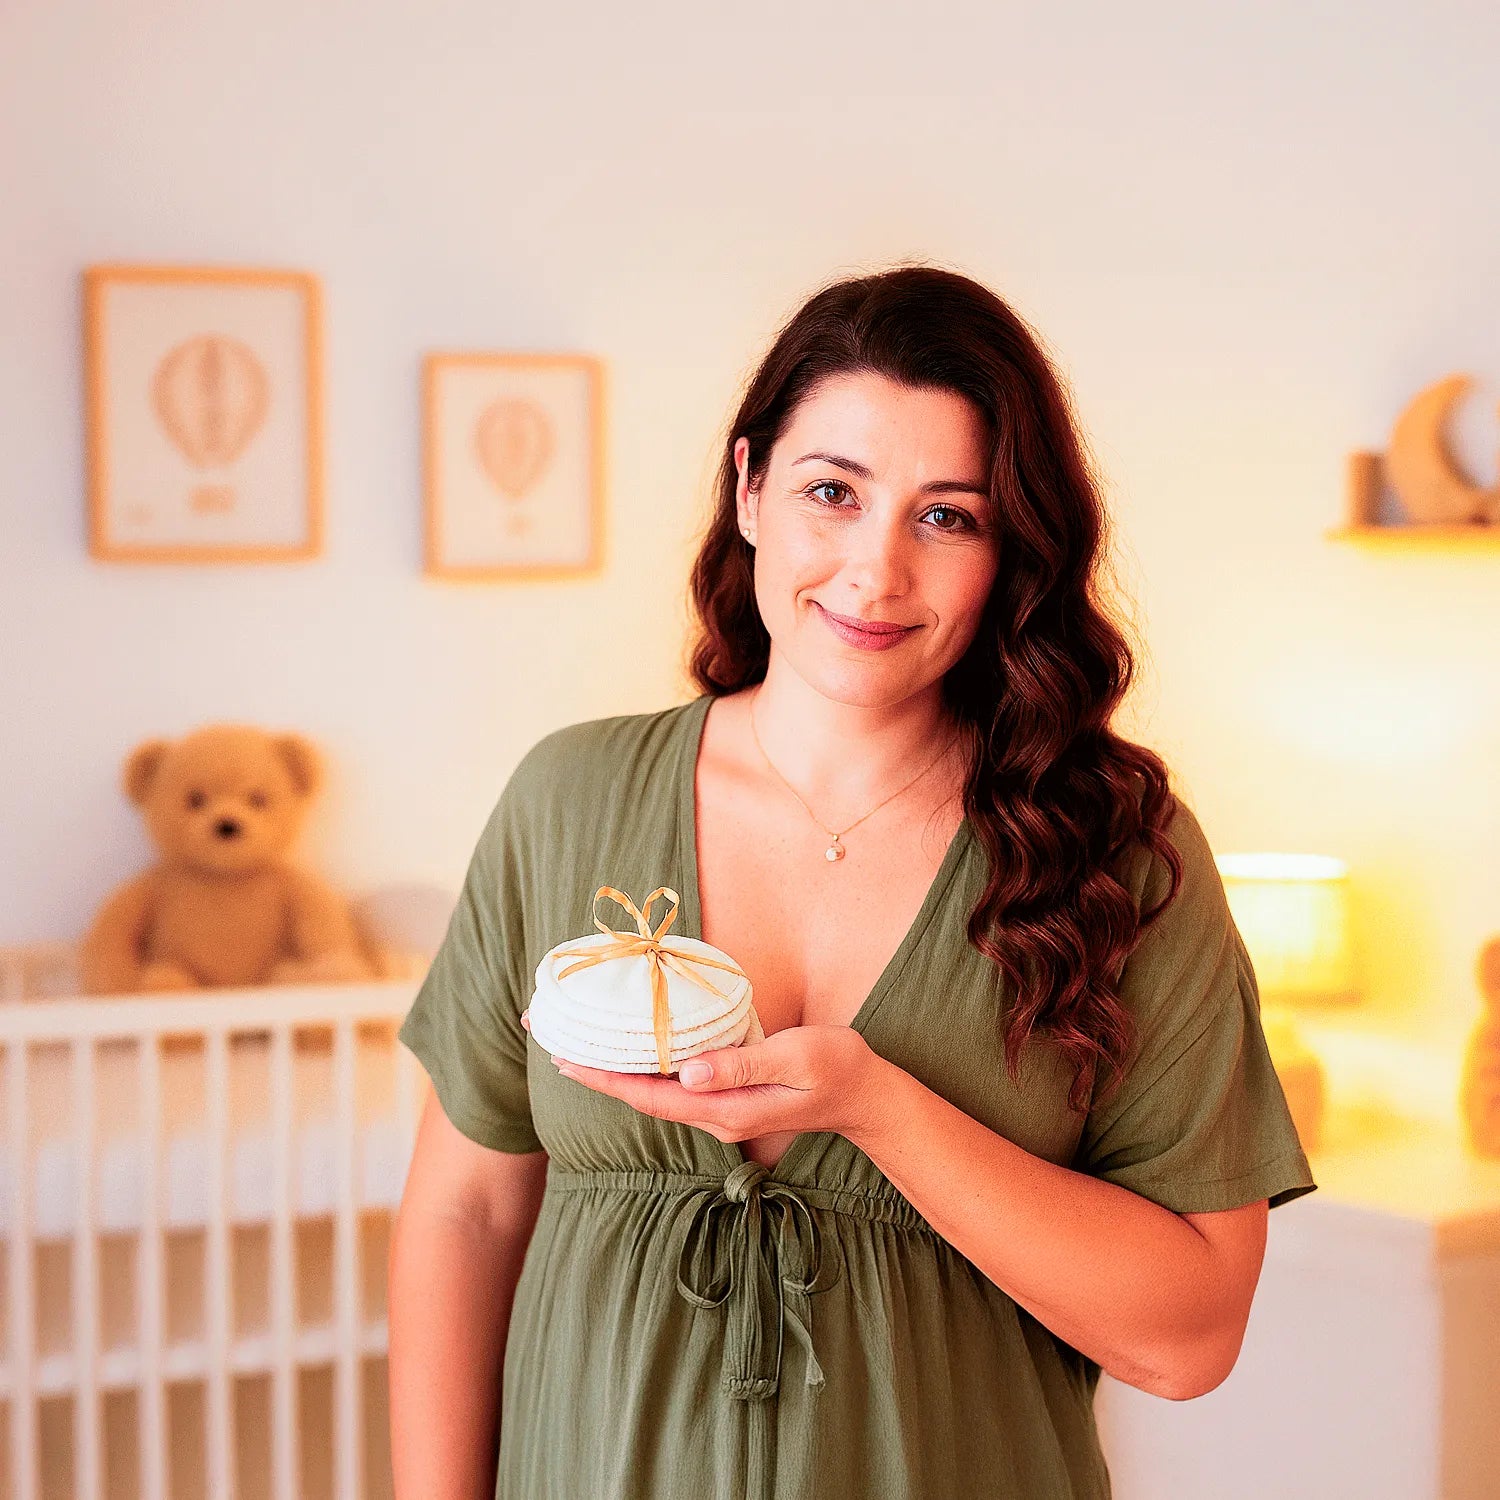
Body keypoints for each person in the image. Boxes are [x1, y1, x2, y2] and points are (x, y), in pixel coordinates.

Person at [388, 263, 1317, 1500]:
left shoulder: (1121, 856)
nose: (877, 573)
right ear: (750, 489)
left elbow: (1190, 1338)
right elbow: (465, 1216)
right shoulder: (567, 799)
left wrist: (882, 1109)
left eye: (949, 517)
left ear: (1010, 550)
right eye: (833, 492)